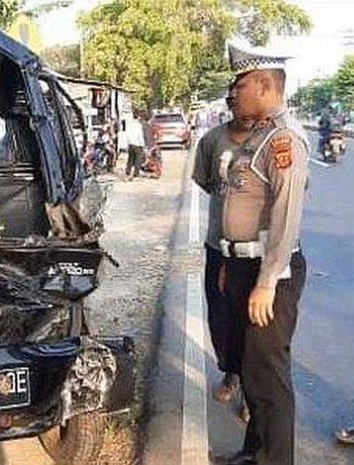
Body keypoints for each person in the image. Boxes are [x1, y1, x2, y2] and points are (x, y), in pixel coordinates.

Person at [219, 42, 309, 465]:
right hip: (243, 266)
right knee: (251, 370)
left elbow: (286, 217)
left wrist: (266, 281)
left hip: (269, 271)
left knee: (268, 377)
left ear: (264, 84)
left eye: (239, 85)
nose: (234, 93)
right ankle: (255, 453)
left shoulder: (282, 142)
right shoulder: (258, 137)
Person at [192, 82, 252, 416]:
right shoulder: (212, 140)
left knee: (254, 322)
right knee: (221, 315)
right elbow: (204, 181)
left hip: (255, 250)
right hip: (218, 245)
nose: (236, 104)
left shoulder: (268, 140)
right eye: (231, 99)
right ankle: (231, 371)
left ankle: (253, 391)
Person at [125, 112, 146, 180]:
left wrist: (127, 143)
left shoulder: (129, 125)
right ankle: (136, 173)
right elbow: (140, 136)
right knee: (138, 159)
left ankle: (128, 170)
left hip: (131, 144)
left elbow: (127, 135)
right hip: (137, 144)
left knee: (130, 158)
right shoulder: (138, 125)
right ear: (138, 117)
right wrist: (143, 145)